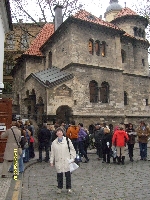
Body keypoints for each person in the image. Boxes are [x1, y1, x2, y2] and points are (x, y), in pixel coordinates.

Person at [50, 127, 76, 194]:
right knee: (59, 175)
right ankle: (59, 188)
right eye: (57, 131)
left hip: (66, 160)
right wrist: (51, 161)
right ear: (56, 133)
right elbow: (52, 153)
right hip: (58, 161)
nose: (59, 133)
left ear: (62, 133)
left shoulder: (67, 140)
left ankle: (69, 188)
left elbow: (72, 149)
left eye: (60, 131)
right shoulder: (54, 143)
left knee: (68, 175)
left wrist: (72, 158)